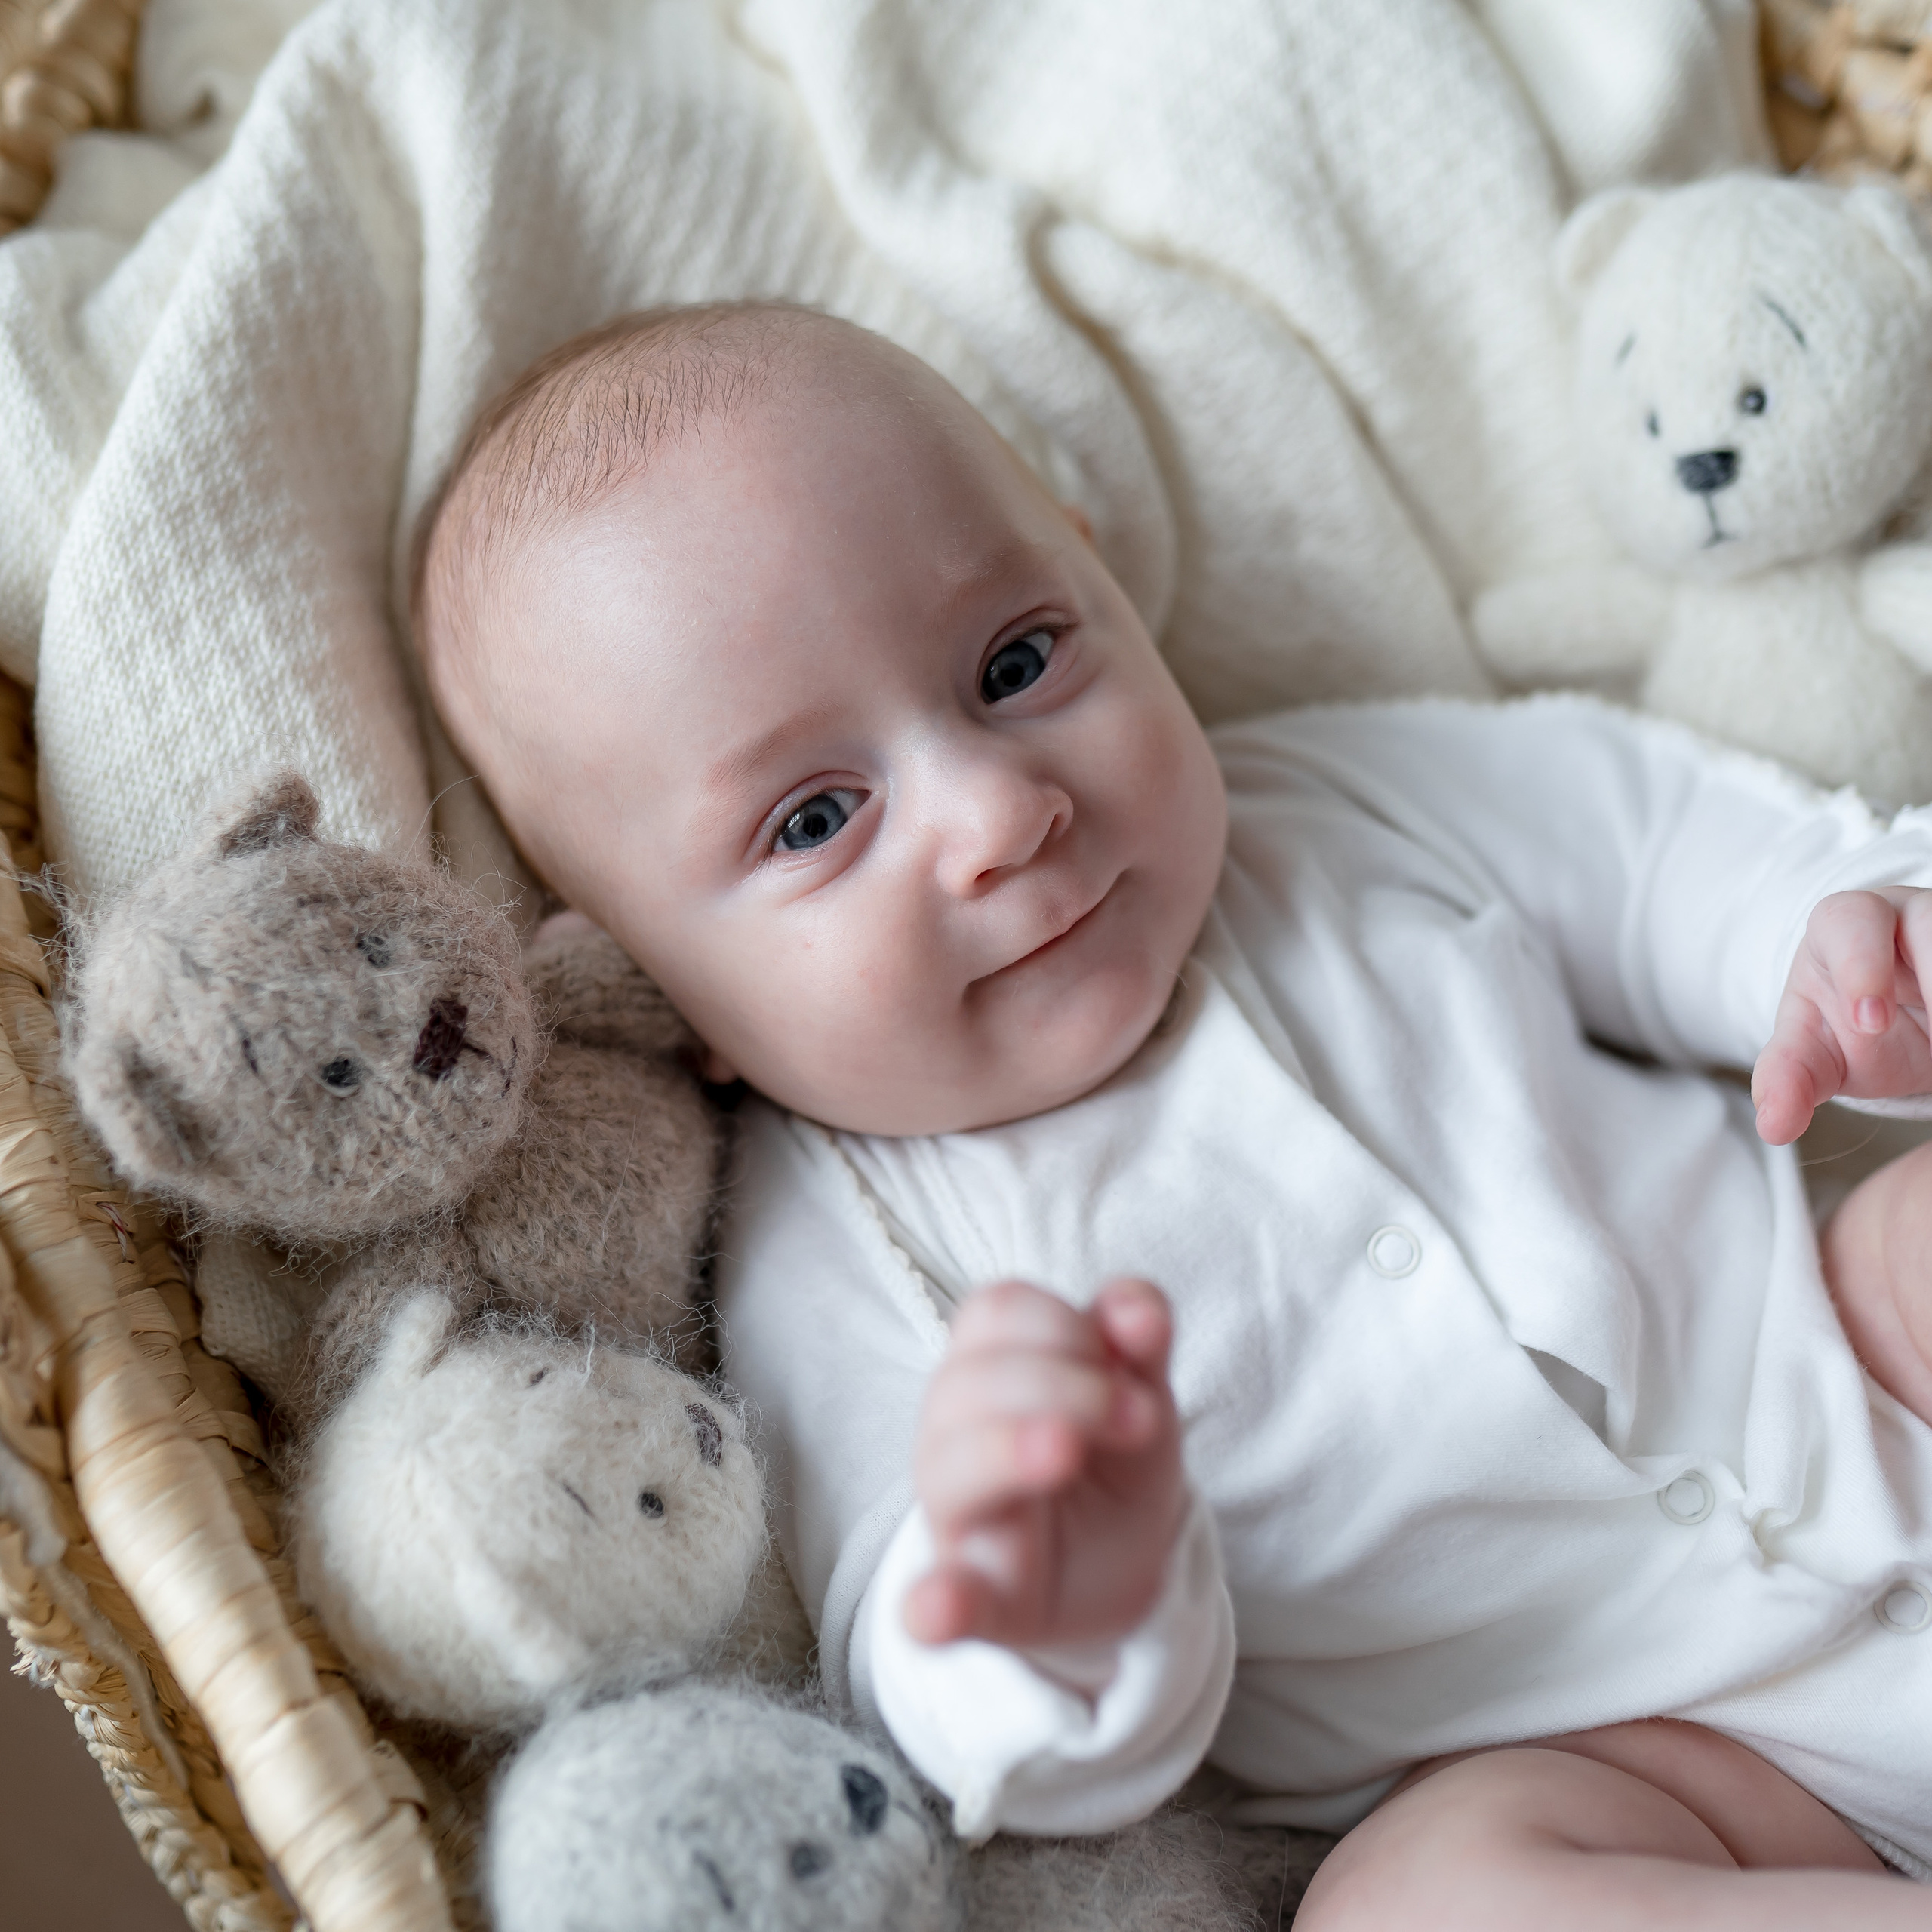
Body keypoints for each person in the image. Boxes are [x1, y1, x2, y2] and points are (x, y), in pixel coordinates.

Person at [417, 300, 1932, 1925]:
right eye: (814, 818)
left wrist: (1843, 934)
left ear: (1097, 576)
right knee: (1416, 1902)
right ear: (657, 983)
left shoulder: (1333, 807)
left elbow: (1650, 847)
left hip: (1857, 1374)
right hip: (1639, 1765)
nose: (998, 813)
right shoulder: (841, 1244)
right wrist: (1059, 1599)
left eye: (1013, 663)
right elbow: (938, 1678)